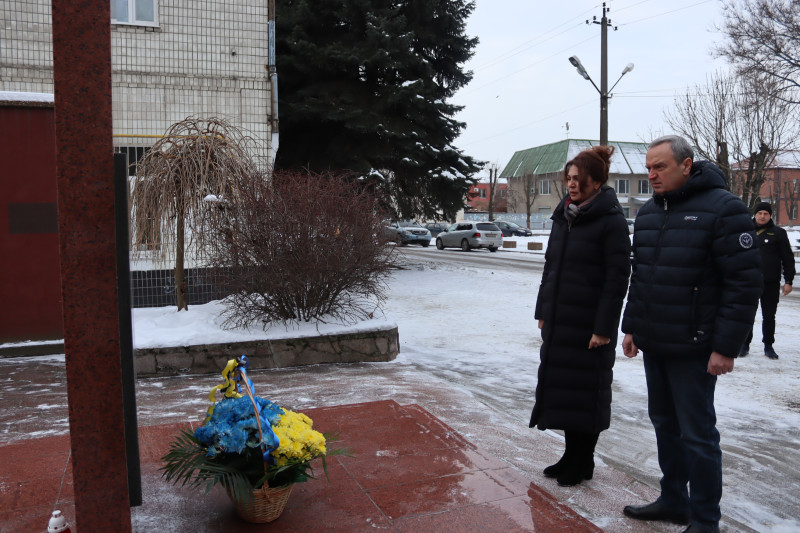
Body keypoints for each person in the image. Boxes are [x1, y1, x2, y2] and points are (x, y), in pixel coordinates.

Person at [621, 136, 762, 533]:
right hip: (656, 342)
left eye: (660, 167)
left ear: (687, 165)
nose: (652, 175)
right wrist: (632, 325)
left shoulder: (725, 209)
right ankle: (673, 499)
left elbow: (744, 284)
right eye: (648, 168)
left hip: (696, 347)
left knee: (697, 435)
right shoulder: (649, 213)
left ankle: (704, 520)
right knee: (664, 424)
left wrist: (726, 348)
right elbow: (642, 276)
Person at [530, 145, 631, 487]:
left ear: (596, 181)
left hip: (589, 325)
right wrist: (543, 309)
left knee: (587, 393)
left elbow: (617, 279)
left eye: (578, 179)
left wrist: (604, 328)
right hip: (561, 320)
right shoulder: (564, 215)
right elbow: (551, 269)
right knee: (565, 391)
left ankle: (583, 460)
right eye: (569, 178)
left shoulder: (611, 221)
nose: (571, 185)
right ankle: (570, 455)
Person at [738, 201, 795, 359]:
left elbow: (788, 259)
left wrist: (788, 281)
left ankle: (768, 345)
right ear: (755, 215)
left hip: (770, 283)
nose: (762, 216)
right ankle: (744, 344)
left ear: (770, 216)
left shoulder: (778, 233)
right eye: (759, 213)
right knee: (747, 315)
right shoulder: (745, 232)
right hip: (749, 283)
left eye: (766, 214)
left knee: (769, 316)